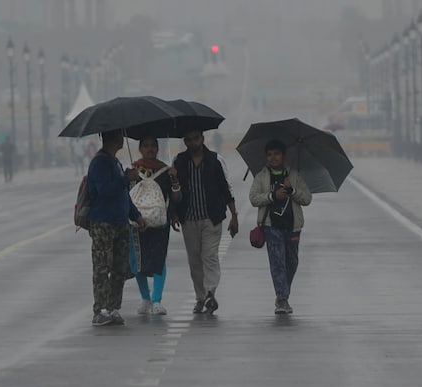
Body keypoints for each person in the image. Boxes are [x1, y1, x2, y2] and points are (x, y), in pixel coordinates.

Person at [170, 130, 238, 314]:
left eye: (196, 138)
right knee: (195, 260)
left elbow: (226, 188)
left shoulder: (216, 160)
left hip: (212, 217)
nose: (193, 143)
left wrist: (234, 215)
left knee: (209, 256)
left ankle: (210, 293)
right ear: (185, 142)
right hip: (189, 218)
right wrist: (174, 213)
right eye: (189, 140)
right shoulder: (179, 162)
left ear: (202, 138)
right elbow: (174, 192)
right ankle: (200, 298)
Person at [88, 130, 147, 326]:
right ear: (114, 139)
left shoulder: (115, 162)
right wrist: (125, 178)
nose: (123, 139)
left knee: (120, 268)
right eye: (120, 136)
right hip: (103, 223)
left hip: (120, 222)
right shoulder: (99, 163)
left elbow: (123, 195)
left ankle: (113, 308)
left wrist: (136, 216)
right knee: (102, 267)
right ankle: (100, 310)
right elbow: (104, 190)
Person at [248, 140, 312, 315]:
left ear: (283, 155)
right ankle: (282, 299)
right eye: (269, 154)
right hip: (271, 226)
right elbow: (253, 198)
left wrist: (292, 191)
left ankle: (283, 293)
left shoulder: (294, 175)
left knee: (291, 262)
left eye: (276, 154)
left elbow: (307, 198)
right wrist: (272, 196)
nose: (273, 157)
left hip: (292, 226)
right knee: (277, 263)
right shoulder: (261, 176)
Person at [129, 137, 181, 316]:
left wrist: (174, 180)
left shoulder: (166, 171)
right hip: (137, 223)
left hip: (160, 223)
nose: (150, 149)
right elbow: (126, 196)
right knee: (137, 259)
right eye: (146, 146)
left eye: (153, 146)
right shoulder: (133, 169)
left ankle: (157, 300)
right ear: (140, 149)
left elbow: (175, 199)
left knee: (159, 259)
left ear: (158, 149)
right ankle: (145, 298)